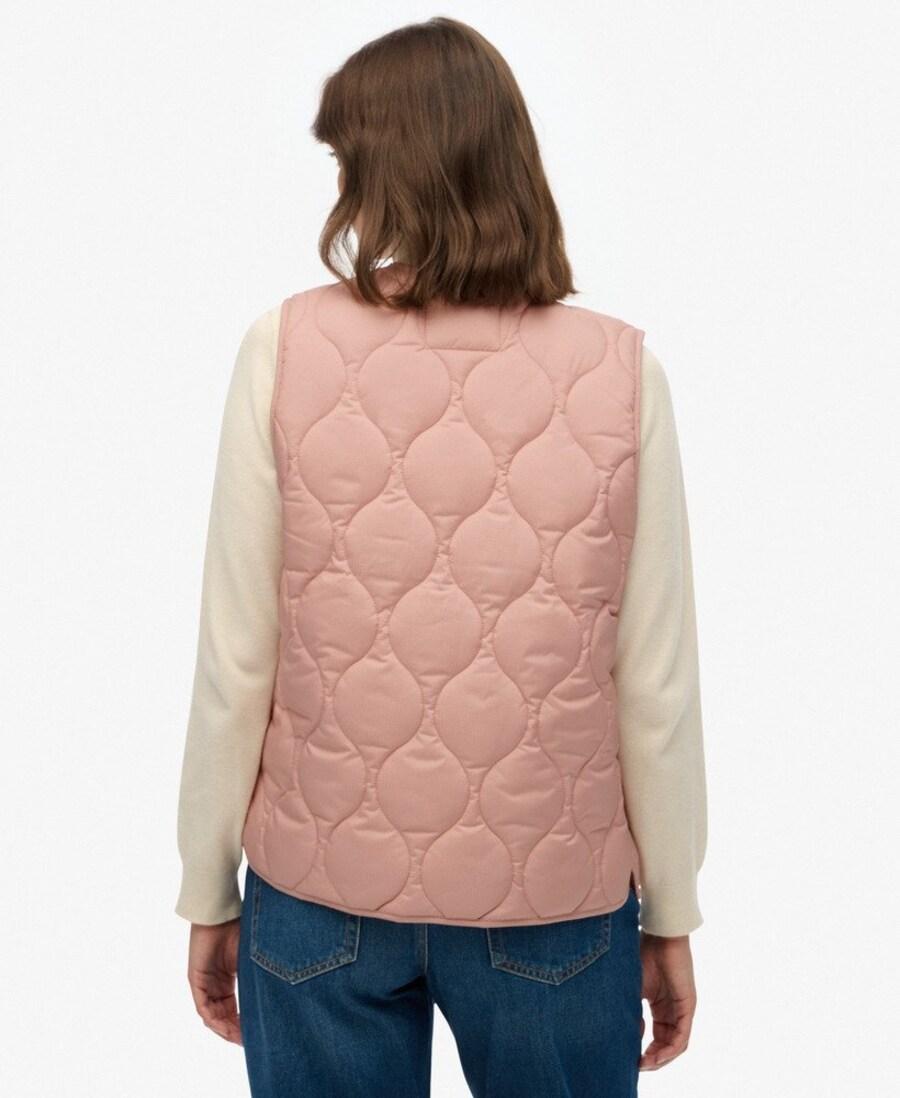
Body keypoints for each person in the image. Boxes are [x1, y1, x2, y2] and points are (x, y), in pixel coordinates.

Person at [174, 16, 707, 1098]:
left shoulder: (284, 348)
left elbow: (238, 660)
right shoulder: (619, 374)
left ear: (380, 172)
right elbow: (653, 685)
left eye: (348, 161)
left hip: (317, 899)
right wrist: (673, 909)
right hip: (555, 908)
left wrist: (207, 886)